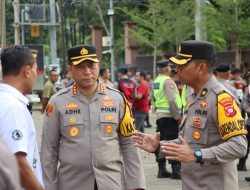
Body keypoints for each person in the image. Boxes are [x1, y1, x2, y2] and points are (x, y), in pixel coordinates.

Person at [132, 40, 248, 190]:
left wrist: (197, 155)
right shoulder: (193, 97)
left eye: (182, 65)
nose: (177, 69)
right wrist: (159, 147)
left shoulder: (221, 99)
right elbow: (190, 144)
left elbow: (239, 146)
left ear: (201, 67)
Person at [41, 44, 145, 190]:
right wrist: (49, 186)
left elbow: (130, 143)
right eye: (80, 67)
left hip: (111, 182)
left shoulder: (117, 99)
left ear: (98, 66)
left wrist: (136, 184)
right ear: (70, 70)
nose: (87, 72)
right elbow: (49, 150)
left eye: (91, 66)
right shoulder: (58, 102)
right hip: (73, 184)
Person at [0, 45, 44, 190]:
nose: (35, 74)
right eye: (35, 69)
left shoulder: (5, 100)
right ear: (27, 71)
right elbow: (17, 162)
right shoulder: (12, 106)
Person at [152, 59, 182, 179]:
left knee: (162, 142)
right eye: (169, 67)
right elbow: (171, 100)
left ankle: (161, 169)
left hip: (160, 116)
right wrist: (177, 116)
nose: (171, 69)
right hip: (170, 116)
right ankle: (176, 171)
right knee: (172, 143)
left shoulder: (157, 81)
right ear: (166, 69)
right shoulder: (168, 81)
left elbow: (154, 98)